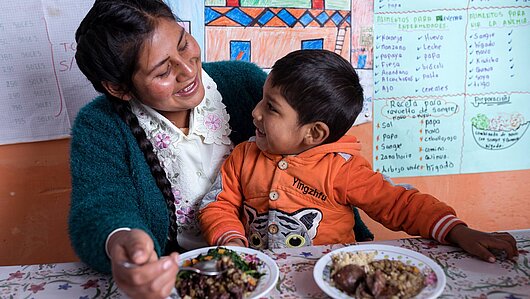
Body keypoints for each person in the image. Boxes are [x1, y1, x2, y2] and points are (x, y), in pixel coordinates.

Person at [68, 1, 372, 297]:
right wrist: (124, 239)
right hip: (183, 277)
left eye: (184, 44)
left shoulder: (244, 83)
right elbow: (100, 206)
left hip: (276, 263)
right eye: (162, 72)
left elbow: (318, 158)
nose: (188, 70)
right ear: (118, 88)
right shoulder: (100, 125)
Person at [199, 49, 519, 263]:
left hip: (330, 276)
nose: (254, 113)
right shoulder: (243, 156)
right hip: (263, 277)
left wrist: (457, 231)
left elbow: (398, 203)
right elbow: (218, 203)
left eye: (271, 107)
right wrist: (230, 239)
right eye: (261, 99)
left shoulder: (344, 169)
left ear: (314, 133)